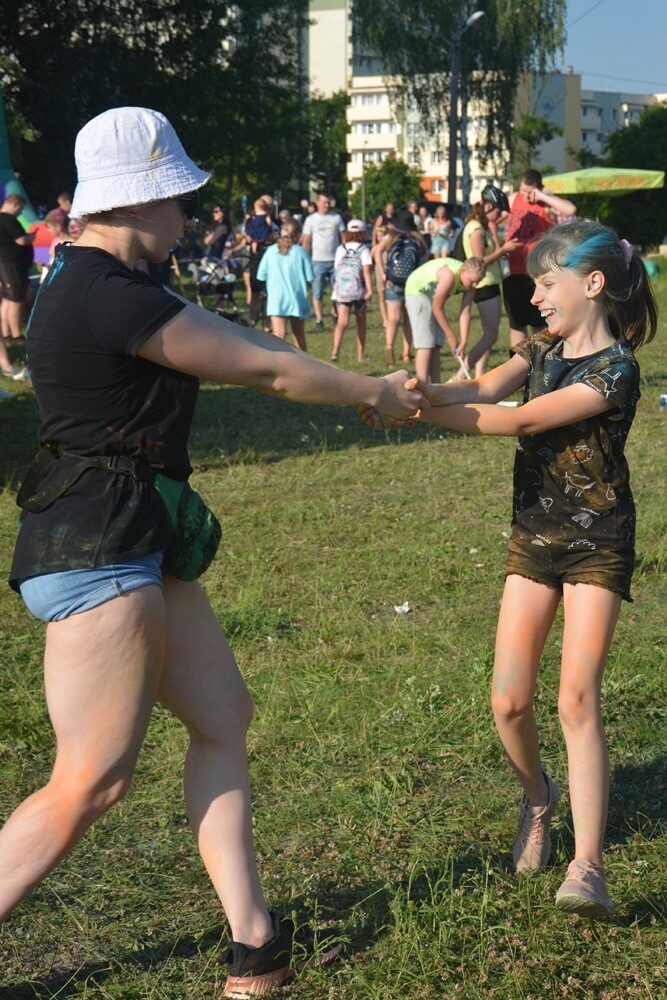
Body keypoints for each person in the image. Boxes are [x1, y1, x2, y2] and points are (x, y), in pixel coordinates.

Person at [1, 106, 427, 997]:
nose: (189, 217)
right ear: (142, 199)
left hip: (132, 537)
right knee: (91, 780)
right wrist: (372, 392)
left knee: (222, 718)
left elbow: (255, 346)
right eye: (180, 200)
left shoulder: (111, 285)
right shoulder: (106, 294)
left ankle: (254, 946)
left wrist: (361, 387)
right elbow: (263, 371)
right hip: (98, 545)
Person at [402, 219, 658, 919]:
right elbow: (485, 387)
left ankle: (587, 867)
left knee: (576, 698)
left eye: (545, 284)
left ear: (592, 284)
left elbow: (517, 420)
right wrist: (419, 395)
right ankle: (538, 798)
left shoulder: (615, 370)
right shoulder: (543, 345)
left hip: (597, 543)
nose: (535, 297)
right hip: (535, 537)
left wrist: (413, 418)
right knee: (508, 701)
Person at [503, 169, 576, 349]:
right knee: (517, 324)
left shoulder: (544, 204)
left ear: (539, 188)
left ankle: (542, 362)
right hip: (513, 271)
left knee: (540, 323)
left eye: (530, 191)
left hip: (536, 275)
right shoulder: (514, 199)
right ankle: (519, 369)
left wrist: (543, 196)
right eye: (523, 191)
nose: (526, 195)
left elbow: (570, 209)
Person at [456, 185, 522, 378]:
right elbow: (479, 261)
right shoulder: (475, 229)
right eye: (498, 210)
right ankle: (459, 376)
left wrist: (494, 232)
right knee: (490, 336)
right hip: (483, 284)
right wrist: (503, 250)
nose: (499, 215)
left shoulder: (482, 226)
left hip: (489, 283)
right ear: (487, 206)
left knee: (489, 336)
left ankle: (479, 378)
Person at [403, 253, 486, 383]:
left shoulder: (470, 284)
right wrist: (451, 336)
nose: (475, 285)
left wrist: (463, 342)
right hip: (418, 292)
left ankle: (436, 387)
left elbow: (465, 312)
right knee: (426, 343)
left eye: (478, 282)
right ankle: (422, 385)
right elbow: (437, 307)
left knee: (437, 343)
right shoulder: (449, 276)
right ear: (463, 271)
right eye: (472, 281)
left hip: (433, 297)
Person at [372, 209, 429, 368]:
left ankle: (389, 349)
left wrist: (383, 273)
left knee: (393, 319)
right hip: (413, 284)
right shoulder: (418, 239)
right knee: (408, 319)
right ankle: (406, 354)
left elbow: (376, 252)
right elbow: (425, 259)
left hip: (392, 282)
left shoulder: (391, 237)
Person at [256, 218, 313, 350]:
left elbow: (261, 275)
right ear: (298, 235)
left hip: (277, 298)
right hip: (297, 297)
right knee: (298, 334)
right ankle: (302, 365)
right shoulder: (301, 252)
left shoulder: (270, 251)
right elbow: (310, 277)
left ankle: (277, 367)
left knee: (279, 335)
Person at [329, 219, 373, 363]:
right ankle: (360, 355)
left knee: (342, 322)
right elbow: (366, 272)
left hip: (343, 291)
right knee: (361, 322)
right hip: (359, 291)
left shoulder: (340, 249)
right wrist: (370, 290)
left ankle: (335, 351)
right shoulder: (364, 249)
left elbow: (336, 270)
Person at [301, 193, 344, 329]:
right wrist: (305, 257)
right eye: (324, 202)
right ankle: (319, 319)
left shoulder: (336, 218)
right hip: (317, 260)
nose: (327, 205)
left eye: (328, 202)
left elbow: (343, 237)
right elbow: (306, 240)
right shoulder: (311, 220)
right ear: (318, 203)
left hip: (335, 260)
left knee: (337, 291)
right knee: (317, 291)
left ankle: (335, 312)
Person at [0, 193, 36, 353]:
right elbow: (21, 240)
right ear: (15, 204)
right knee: (16, 300)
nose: (20, 212)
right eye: (20, 209)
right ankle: (16, 335)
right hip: (12, 265)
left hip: (7, 264)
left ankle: (7, 332)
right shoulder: (8, 219)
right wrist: (32, 237)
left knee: (8, 299)